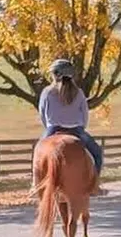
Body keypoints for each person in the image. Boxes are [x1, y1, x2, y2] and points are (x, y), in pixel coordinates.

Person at [38, 59, 105, 191]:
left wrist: (49, 126)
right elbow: (85, 114)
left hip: (53, 128)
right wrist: (81, 128)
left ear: (55, 74)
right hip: (76, 130)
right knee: (97, 153)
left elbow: (42, 113)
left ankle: (36, 184)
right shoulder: (79, 92)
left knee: (38, 152)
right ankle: (94, 184)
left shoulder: (47, 92)